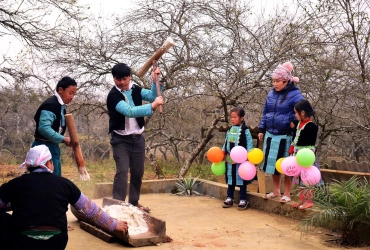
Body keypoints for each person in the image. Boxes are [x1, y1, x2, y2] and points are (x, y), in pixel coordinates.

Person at [0, 145, 128, 250]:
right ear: (49, 163)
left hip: (22, 243)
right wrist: (114, 225)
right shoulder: (65, 184)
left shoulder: (15, 184)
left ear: (28, 166)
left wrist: (15, 204)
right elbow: (90, 209)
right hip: (56, 243)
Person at [107, 62, 164, 212]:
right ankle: (117, 206)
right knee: (122, 171)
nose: (122, 82)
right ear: (113, 79)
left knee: (138, 172)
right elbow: (130, 111)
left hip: (138, 139)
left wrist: (154, 81)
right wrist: (153, 106)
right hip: (120, 140)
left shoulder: (135, 89)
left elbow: (152, 96)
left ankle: (134, 203)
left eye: (124, 79)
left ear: (130, 77)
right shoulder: (113, 96)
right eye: (118, 79)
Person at [258, 61, 305, 203]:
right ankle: (276, 191)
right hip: (271, 134)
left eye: (278, 81)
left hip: (286, 135)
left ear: (286, 81)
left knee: (287, 165)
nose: (275, 83)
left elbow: (305, 110)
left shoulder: (295, 94)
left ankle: (287, 193)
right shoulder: (271, 94)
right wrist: (262, 128)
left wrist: (294, 121)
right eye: (273, 81)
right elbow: (266, 112)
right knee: (273, 164)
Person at [32, 76, 88, 179]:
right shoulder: (51, 105)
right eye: (70, 93)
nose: (72, 97)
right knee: (48, 182)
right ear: (60, 90)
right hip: (43, 148)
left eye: (74, 94)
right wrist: (63, 139)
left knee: (56, 180)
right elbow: (44, 128)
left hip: (52, 147)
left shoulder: (60, 106)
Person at [289, 100, 323, 210]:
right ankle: (302, 198)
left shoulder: (311, 126)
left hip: (307, 156)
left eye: (296, 112)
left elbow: (308, 142)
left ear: (302, 113)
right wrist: (292, 147)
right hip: (298, 154)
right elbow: (296, 138)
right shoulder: (299, 124)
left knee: (308, 178)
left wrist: (299, 150)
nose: (295, 115)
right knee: (300, 177)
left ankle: (309, 200)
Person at [222, 107, 254, 210]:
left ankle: (243, 199)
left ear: (241, 118)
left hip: (242, 160)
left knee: (241, 179)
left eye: (235, 117)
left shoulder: (245, 130)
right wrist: (223, 152)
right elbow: (226, 142)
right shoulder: (229, 129)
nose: (232, 119)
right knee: (231, 178)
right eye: (231, 117)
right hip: (230, 159)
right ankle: (229, 197)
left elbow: (249, 142)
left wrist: (249, 155)